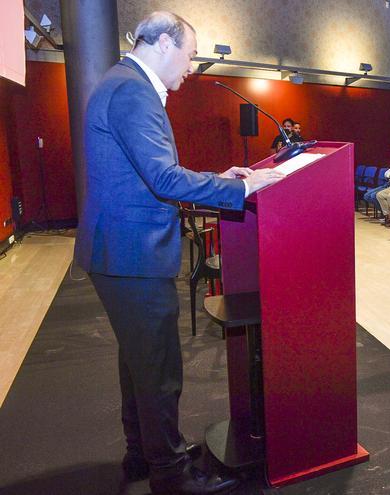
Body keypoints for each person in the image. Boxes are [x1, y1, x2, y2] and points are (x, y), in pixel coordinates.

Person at [73, 12, 286, 494]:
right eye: (190, 54)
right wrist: (240, 185)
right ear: (165, 43)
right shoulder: (132, 90)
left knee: (139, 364)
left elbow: (152, 170)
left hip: (120, 250)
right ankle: (170, 475)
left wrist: (223, 178)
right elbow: (164, 179)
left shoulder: (123, 82)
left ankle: (144, 455)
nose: (191, 67)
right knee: (159, 370)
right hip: (132, 253)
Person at [363, 146, 390, 212]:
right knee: (367, 195)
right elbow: (386, 173)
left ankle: (386, 214)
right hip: (388, 183)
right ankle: (385, 213)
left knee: (373, 195)